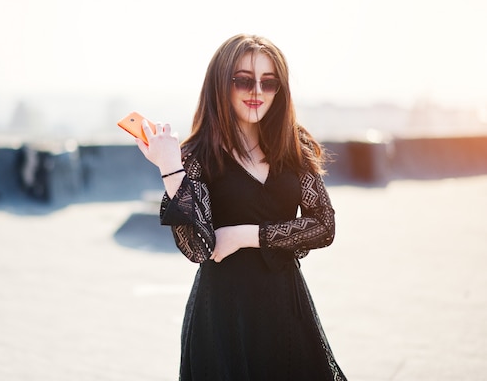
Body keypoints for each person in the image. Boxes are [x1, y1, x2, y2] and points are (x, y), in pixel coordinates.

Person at [136, 34, 347, 380]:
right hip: (222, 318)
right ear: (221, 84)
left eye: (269, 82)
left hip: (286, 309)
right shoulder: (198, 157)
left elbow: (323, 226)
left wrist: (245, 235)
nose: (257, 92)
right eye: (244, 81)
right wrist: (170, 169)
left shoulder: (295, 145)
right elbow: (200, 247)